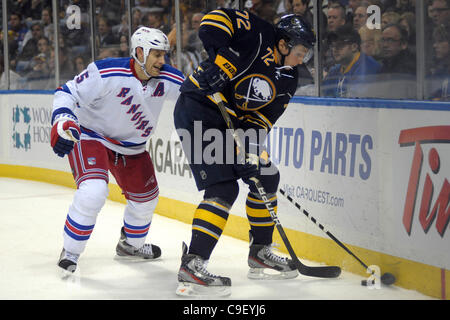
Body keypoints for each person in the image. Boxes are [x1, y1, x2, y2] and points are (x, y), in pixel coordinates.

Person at [173, 10, 315, 296]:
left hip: (229, 122)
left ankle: (260, 251)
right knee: (223, 188)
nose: (302, 60)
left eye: (306, 55)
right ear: (284, 44)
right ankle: (193, 263)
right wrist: (221, 58)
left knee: (266, 176)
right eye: (300, 52)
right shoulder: (259, 33)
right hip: (199, 108)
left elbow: (262, 119)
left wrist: (248, 151)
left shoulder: (289, 77)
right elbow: (213, 21)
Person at [51, 27, 184, 274]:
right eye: (156, 55)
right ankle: (70, 251)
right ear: (140, 52)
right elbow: (67, 92)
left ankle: (130, 246)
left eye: (164, 55)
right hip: (93, 136)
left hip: (133, 147)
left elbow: (197, 96)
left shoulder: (168, 77)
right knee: (93, 191)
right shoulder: (106, 71)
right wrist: (62, 120)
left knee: (147, 200)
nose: (162, 61)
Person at [322, 24, 381, 97]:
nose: (334, 49)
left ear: (354, 47)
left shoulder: (368, 67)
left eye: (340, 45)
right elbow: (323, 93)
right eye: (333, 46)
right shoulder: (335, 70)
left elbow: (355, 100)